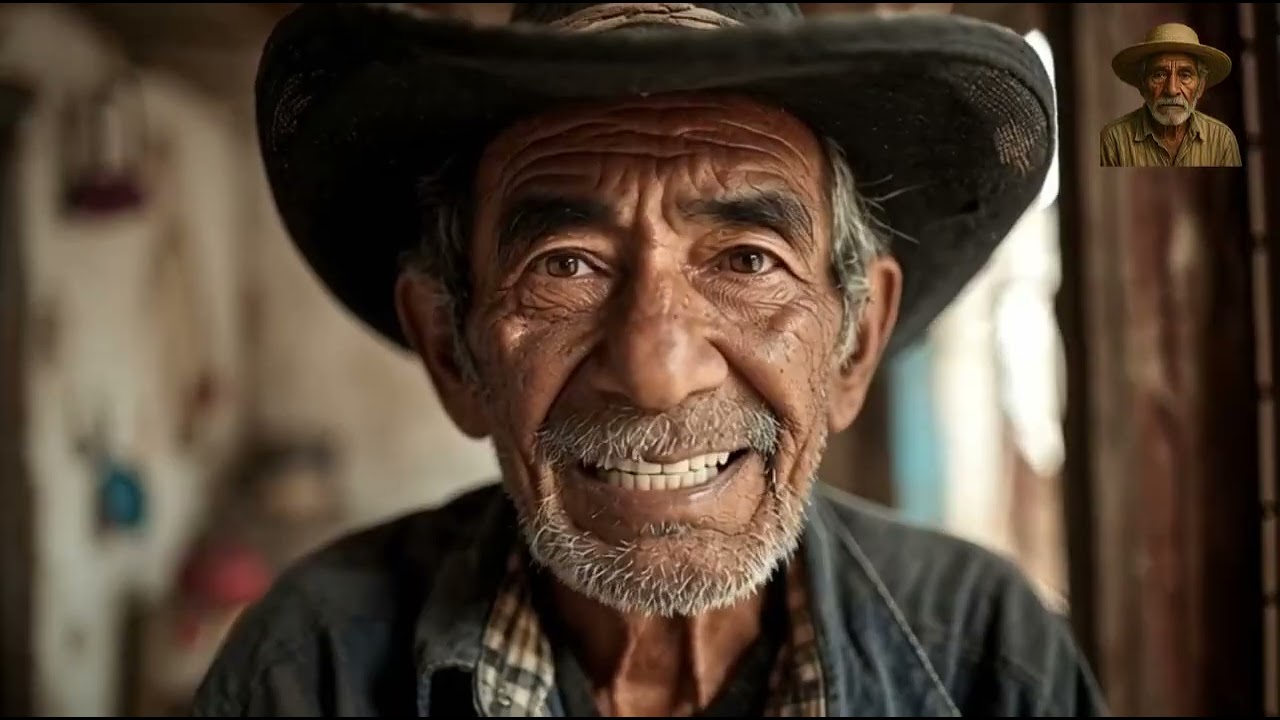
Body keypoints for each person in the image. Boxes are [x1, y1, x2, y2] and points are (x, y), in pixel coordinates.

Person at [193, 3, 1108, 716]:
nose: (657, 370)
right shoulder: (311, 670)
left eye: (749, 260)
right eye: (565, 267)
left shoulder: (985, 655)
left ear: (853, 345)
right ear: (452, 349)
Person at [1099, 22, 1242, 168]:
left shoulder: (1221, 139)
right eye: (1159, 75)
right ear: (1142, 85)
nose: (1172, 90)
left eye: (1185, 75)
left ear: (1200, 88)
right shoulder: (1114, 139)